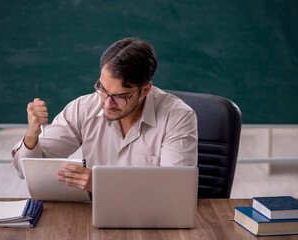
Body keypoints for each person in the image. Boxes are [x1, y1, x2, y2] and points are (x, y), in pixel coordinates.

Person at [12, 37, 197, 193]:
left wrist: (103, 183)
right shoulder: (83, 108)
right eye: (103, 89)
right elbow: (25, 170)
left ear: (146, 90)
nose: (107, 104)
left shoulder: (178, 117)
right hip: (92, 218)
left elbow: (177, 189)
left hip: (153, 222)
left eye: (120, 97)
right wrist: (32, 135)